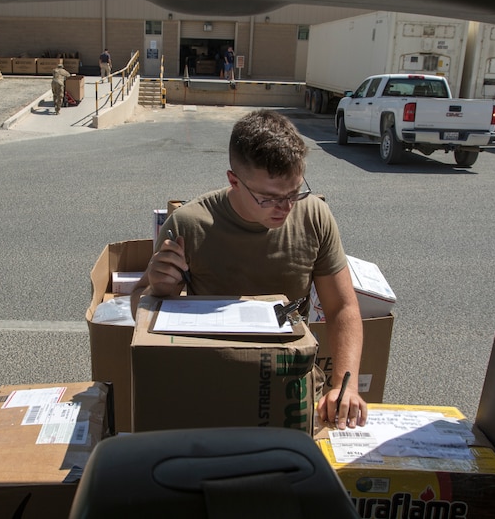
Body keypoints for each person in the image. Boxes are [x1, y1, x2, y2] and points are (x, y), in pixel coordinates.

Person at [131, 109, 367, 430]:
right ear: (234, 181)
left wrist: (345, 386)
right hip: (213, 381)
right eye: (269, 198)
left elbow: (342, 307)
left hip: (290, 383)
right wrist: (157, 289)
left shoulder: (314, 216)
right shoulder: (189, 225)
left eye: (294, 192)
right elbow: (139, 310)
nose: (285, 208)